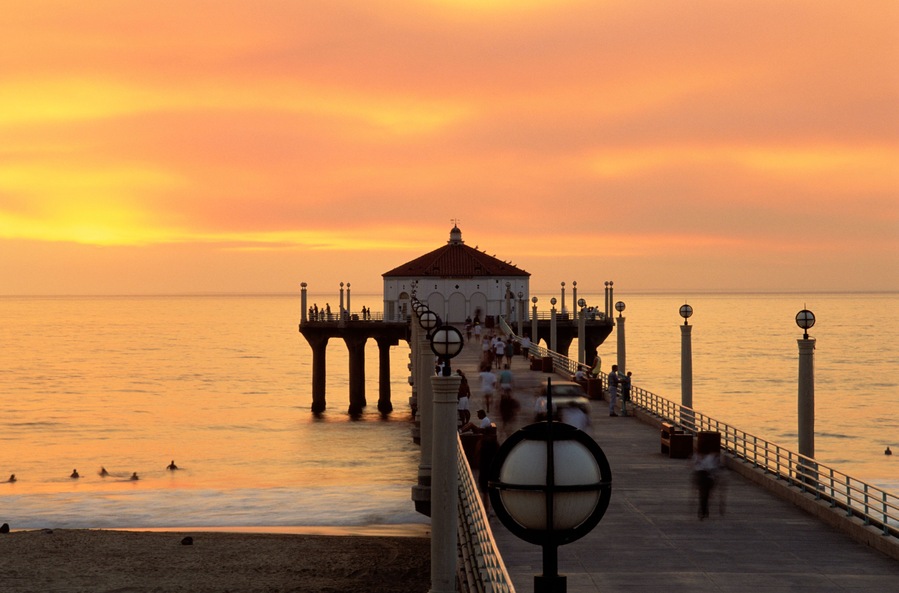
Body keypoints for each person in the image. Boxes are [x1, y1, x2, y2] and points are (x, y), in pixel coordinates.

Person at [693, 449, 720, 519]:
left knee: (703, 494)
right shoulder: (711, 457)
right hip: (705, 477)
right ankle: (703, 510)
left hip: (704, 477)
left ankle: (703, 509)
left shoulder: (700, 456)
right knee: (705, 494)